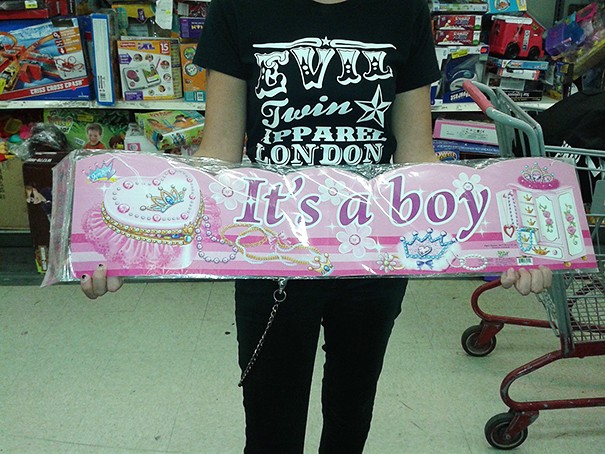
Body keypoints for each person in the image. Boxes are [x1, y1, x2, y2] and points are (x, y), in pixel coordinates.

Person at [80, 1, 553, 453]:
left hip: (372, 256)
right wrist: (129, 243)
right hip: (271, 254)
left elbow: (416, 157)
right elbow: (218, 155)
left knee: (352, 410)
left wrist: (505, 241)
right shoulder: (239, 6)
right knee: (270, 423)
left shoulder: (403, 7)